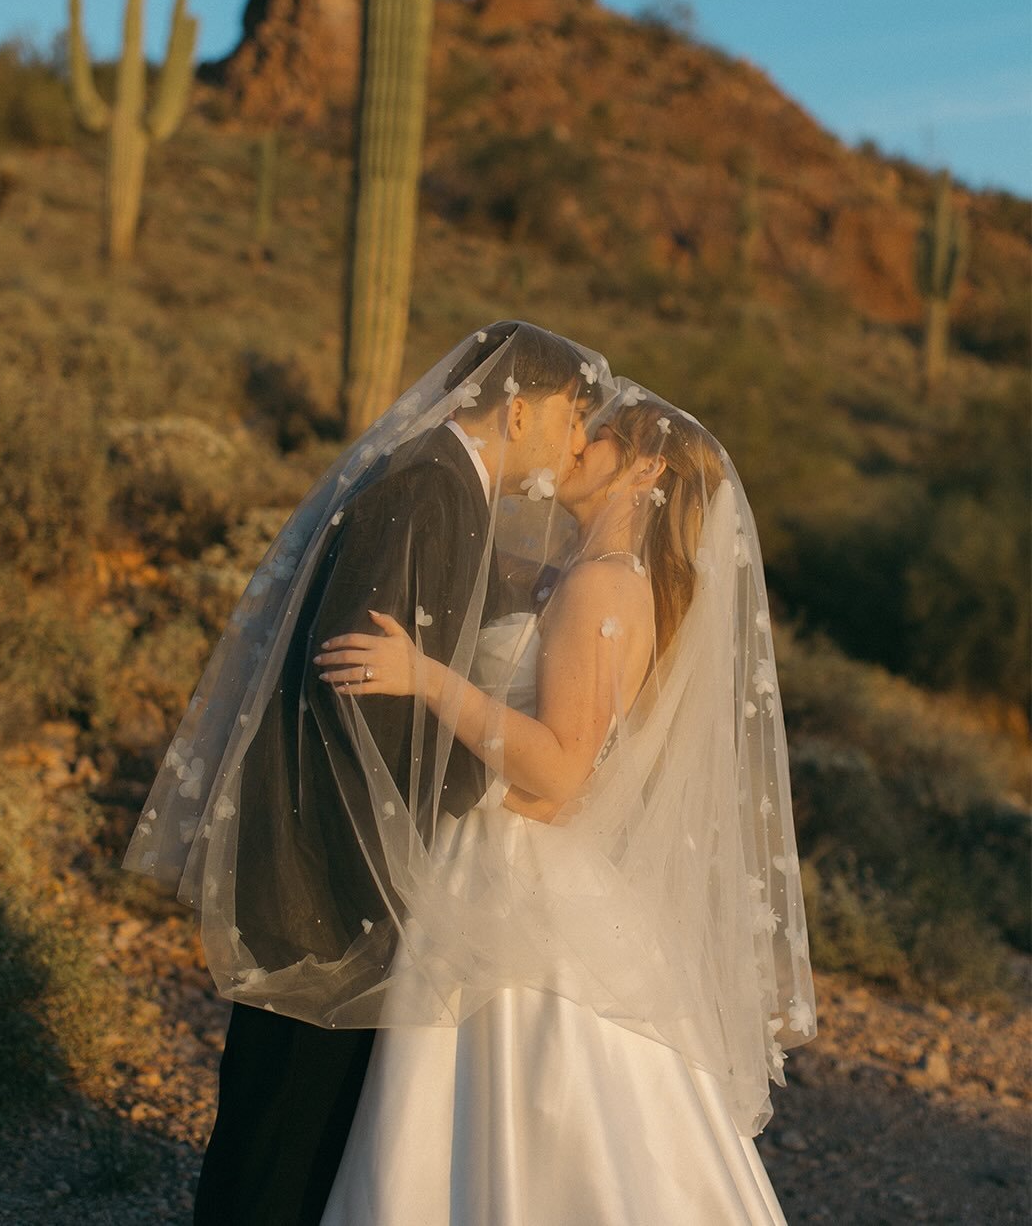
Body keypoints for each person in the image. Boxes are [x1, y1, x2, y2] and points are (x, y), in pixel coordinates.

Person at [124, 322, 601, 1224]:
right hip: (327, 869)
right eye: (574, 414)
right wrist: (484, 794)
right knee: (278, 1142)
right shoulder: (428, 488)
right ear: (520, 406)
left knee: (297, 1134)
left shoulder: (450, 488)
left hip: (342, 864)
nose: (577, 438)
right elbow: (359, 694)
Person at [314, 392, 815, 1224]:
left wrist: (424, 677)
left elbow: (557, 772)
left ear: (647, 469)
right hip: (509, 860)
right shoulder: (577, 575)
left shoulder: (603, 589)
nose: (578, 440)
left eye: (604, 434)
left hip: (516, 868)